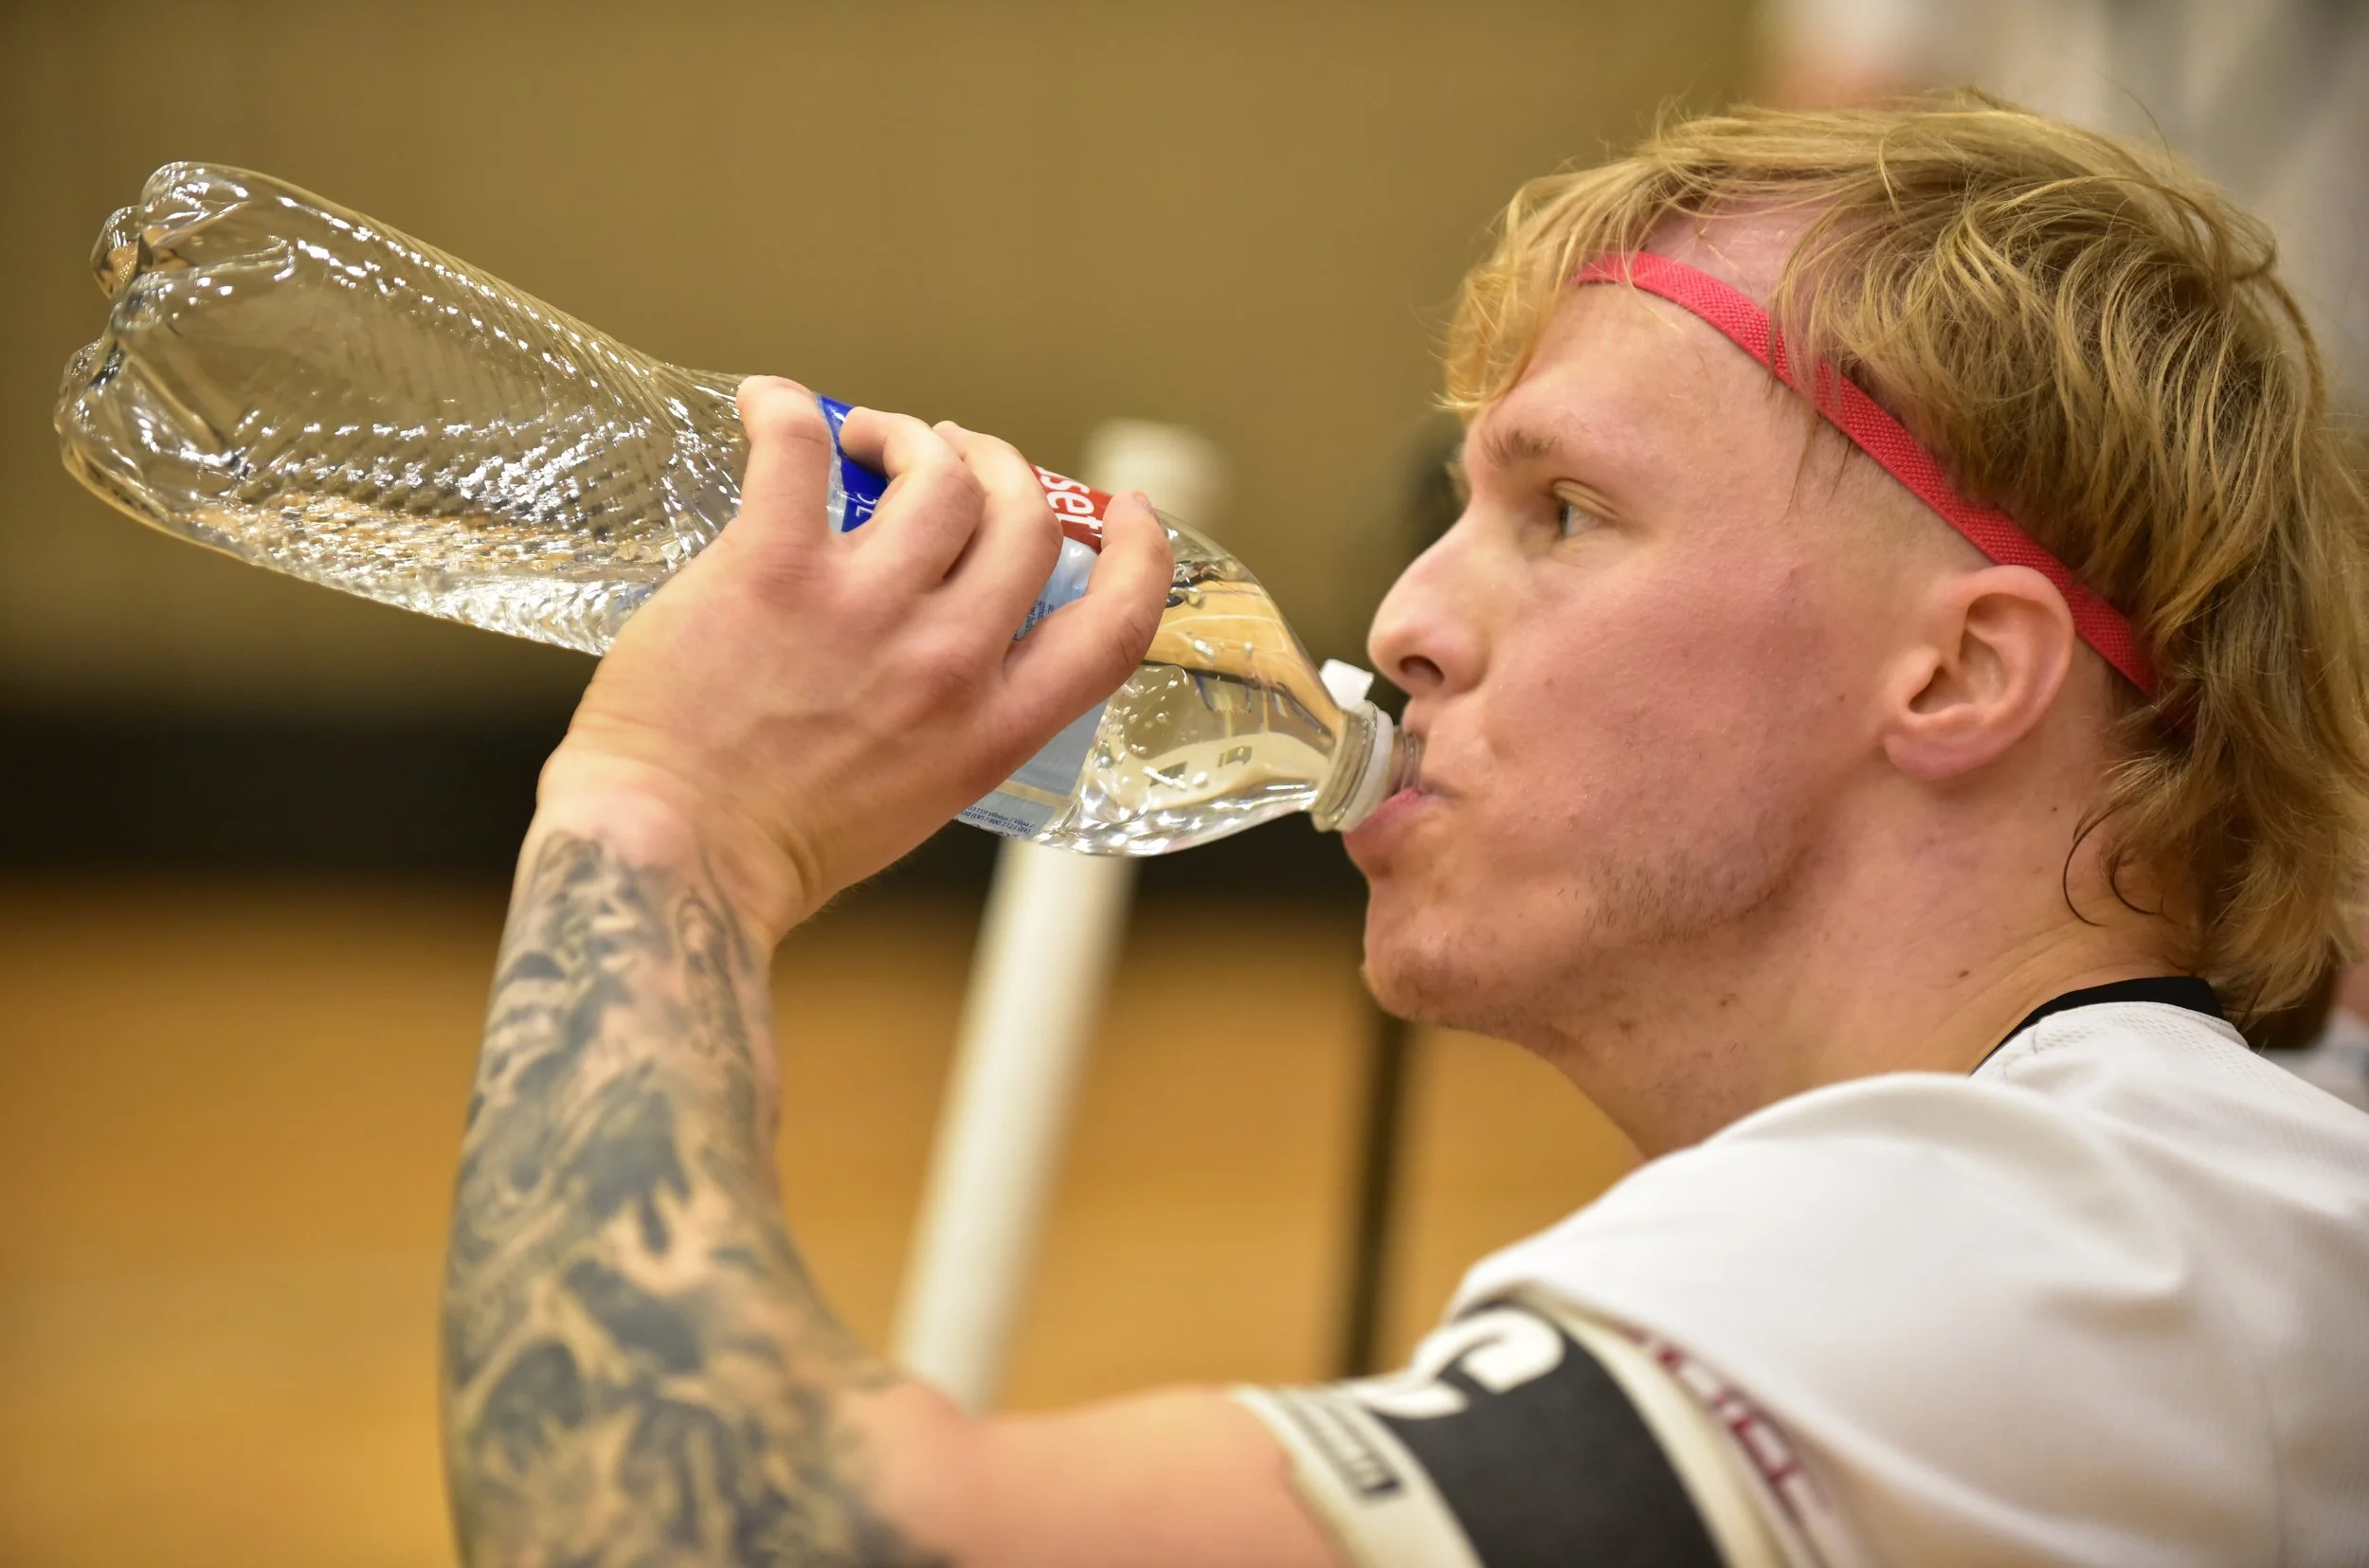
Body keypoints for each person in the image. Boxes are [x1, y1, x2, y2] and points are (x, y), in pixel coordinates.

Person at [438, 95, 2369, 1568]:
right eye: (1461, 512)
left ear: (1957, 674)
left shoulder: (2035, 1249)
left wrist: (666, 817)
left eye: (1564, 512)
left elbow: (705, 1531)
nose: (1403, 621)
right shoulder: (2186, 1188)